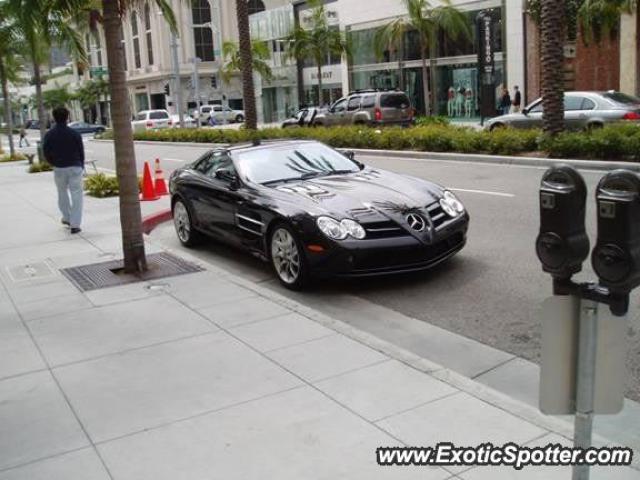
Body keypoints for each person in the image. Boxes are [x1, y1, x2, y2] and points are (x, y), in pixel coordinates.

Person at [42, 107, 85, 234]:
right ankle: (75, 224)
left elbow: (46, 152)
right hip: (75, 166)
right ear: (67, 117)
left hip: (59, 167)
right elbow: (81, 151)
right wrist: (81, 164)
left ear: (54, 118)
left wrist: (53, 162)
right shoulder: (74, 134)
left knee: (62, 193)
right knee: (77, 195)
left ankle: (66, 217)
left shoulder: (49, 135)